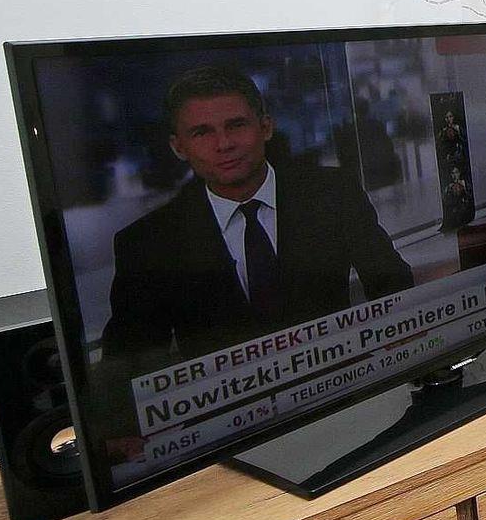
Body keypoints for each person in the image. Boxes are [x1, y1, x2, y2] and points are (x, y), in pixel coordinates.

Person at [99, 65, 415, 371]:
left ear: (266, 127)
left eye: (236, 125)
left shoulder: (333, 192)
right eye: (202, 132)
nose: (224, 144)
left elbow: (391, 284)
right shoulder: (147, 242)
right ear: (178, 147)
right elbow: (129, 365)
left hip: (341, 386)